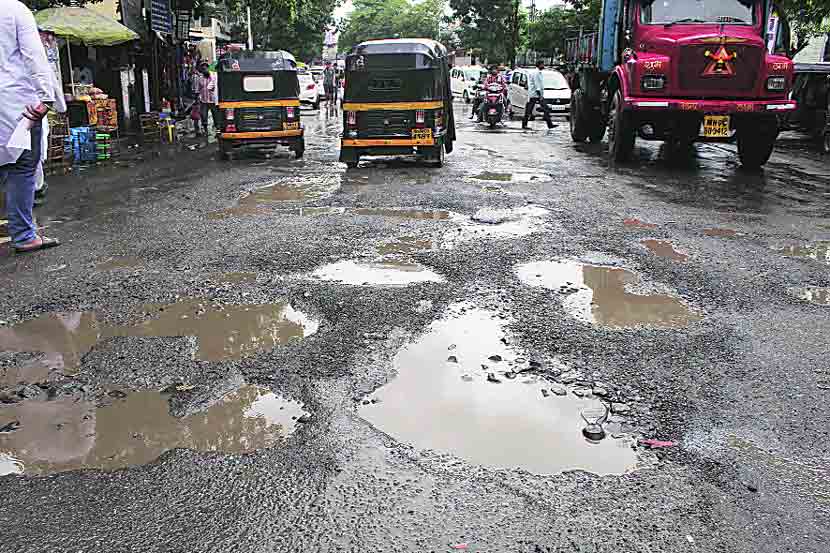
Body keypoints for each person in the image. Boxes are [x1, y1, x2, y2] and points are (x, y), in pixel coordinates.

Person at [0, 0, 59, 253]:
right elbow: (34, 55)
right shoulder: (14, 9)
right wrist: (47, 98)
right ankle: (24, 235)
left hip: (12, 100)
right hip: (16, 102)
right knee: (23, 165)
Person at [34, 68, 67, 207]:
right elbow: (53, 84)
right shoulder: (36, 57)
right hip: (32, 114)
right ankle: (36, 188)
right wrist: (61, 107)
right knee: (33, 155)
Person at [523, 60, 555, 130]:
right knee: (530, 109)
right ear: (540, 65)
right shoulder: (536, 73)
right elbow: (537, 85)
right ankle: (524, 124)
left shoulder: (537, 72)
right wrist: (540, 95)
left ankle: (549, 124)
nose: (544, 66)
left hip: (535, 94)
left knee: (544, 108)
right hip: (535, 94)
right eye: (543, 64)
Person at [196, 61, 218, 136]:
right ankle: (205, 131)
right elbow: (198, 90)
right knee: (204, 116)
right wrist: (197, 99)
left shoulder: (213, 77)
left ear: (208, 69)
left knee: (216, 117)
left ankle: (217, 131)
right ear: (201, 70)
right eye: (203, 69)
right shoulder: (200, 79)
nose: (205, 70)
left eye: (206, 68)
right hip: (204, 101)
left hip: (213, 101)